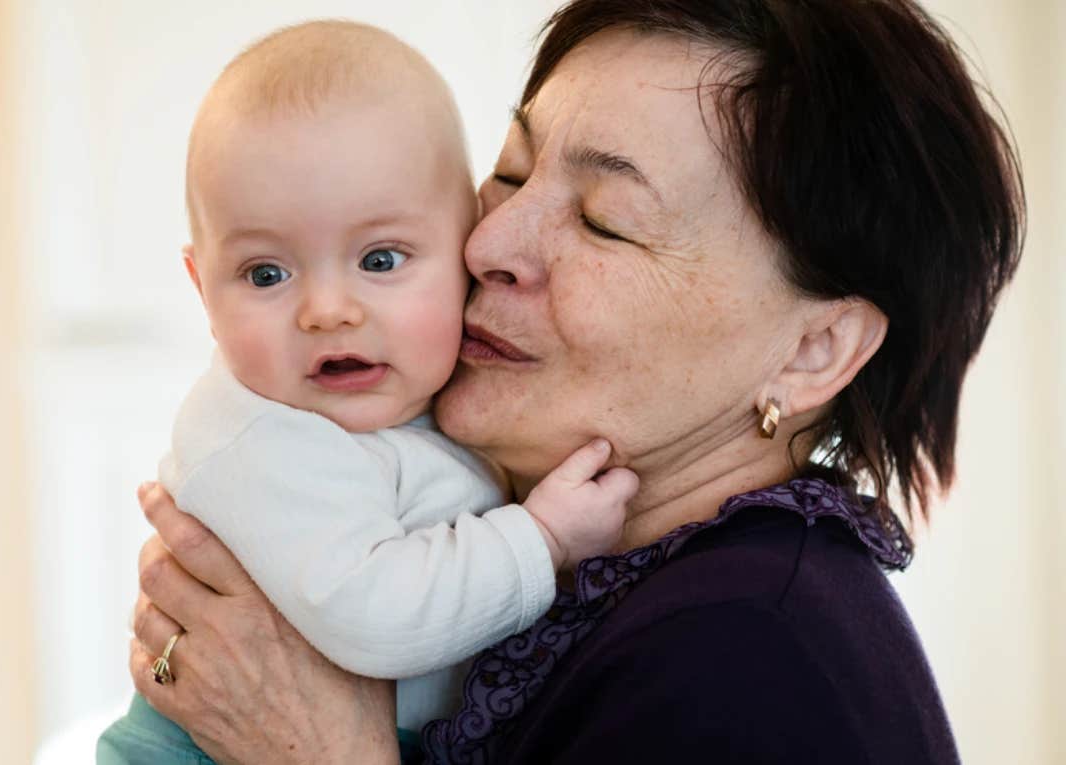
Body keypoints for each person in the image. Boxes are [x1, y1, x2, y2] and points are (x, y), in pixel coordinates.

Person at [125, 0, 1023, 762]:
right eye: (511, 173)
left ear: (814, 349)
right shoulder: (592, 575)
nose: (487, 243)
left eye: (604, 222)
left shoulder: (749, 658)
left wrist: (323, 749)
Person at [97, 20, 637, 764]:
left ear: (466, 248)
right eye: (265, 274)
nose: (328, 309)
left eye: (380, 259)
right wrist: (539, 540)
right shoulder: (263, 438)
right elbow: (377, 616)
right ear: (201, 289)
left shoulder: (436, 396)